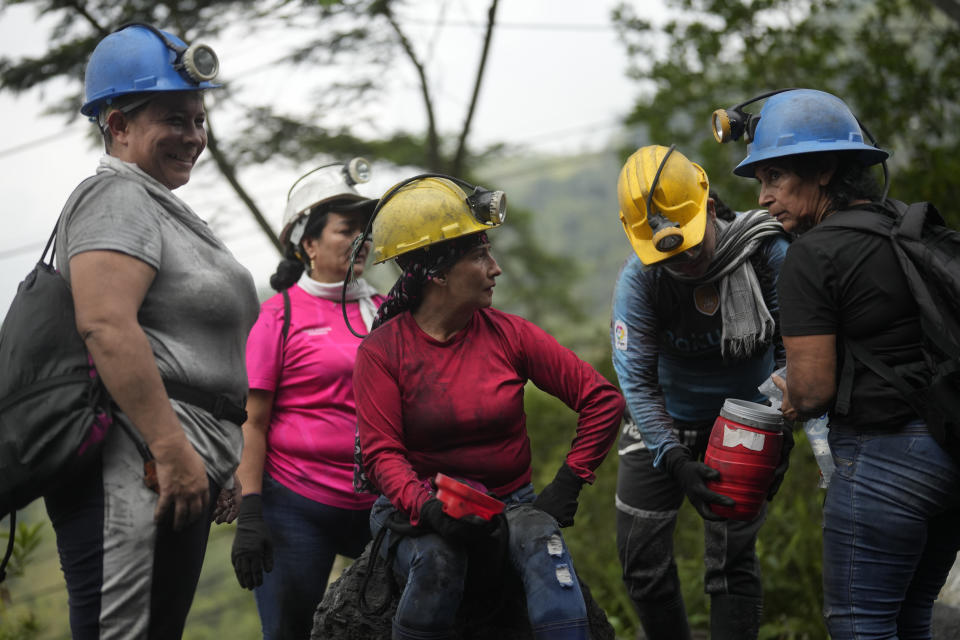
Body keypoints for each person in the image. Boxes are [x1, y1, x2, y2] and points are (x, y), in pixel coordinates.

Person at [43, 24, 259, 639]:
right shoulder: (115, 197)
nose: (193, 136)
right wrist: (170, 447)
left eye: (198, 119)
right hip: (137, 459)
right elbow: (106, 325)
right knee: (121, 631)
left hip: (182, 461)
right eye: (173, 118)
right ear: (117, 125)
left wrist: (220, 456)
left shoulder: (161, 205)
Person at [729, 87, 960, 639]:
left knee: (860, 624)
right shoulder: (901, 229)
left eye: (775, 178)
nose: (763, 198)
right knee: (912, 620)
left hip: (886, 466)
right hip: (948, 453)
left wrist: (787, 393)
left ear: (825, 169)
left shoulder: (813, 254)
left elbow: (811, 391)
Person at [352, 176, 625, 640]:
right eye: (479, 256)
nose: (495, 268)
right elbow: (381, 455)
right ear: (436, 272)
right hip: (421, 507)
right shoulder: (382, 352)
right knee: (438, 563)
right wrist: (427, 509)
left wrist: (570, 481)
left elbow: (602, 399)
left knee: (545, 548)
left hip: (510, 504)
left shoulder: (509, 334)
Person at [610, 145, 790, 640]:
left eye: (691, 242)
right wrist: (672, 457)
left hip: (746, 422)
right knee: (640, 561)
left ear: (709, 207)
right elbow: (636, 379)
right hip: (661, 419)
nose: (684, 259)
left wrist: (779, 421)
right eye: (668, 250)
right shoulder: (641, 282)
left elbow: (795, 348)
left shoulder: (766, 253)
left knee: (731, 563)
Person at [230, 159, 383, 639]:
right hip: (297, 506)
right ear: (308, 243)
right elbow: (252, 422)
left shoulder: (386, 310)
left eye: (366, 230)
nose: (361, 239)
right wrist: (250, 511)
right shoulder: (277, 316)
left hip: (381, 502)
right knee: (290, 632)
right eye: (346, 229)